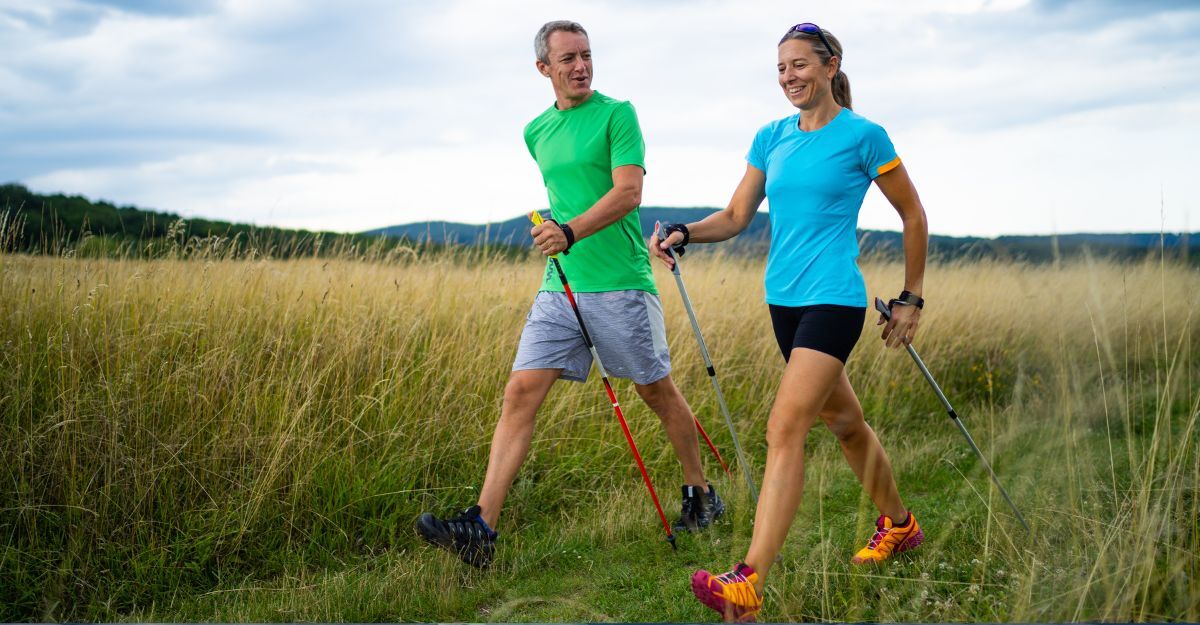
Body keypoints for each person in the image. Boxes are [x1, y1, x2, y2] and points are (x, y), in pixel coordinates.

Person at [415, 20, 725, 569]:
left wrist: (570, 231)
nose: (581, 66)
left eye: (586, 55)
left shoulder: (618, 114)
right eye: (568, 59)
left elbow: (628, 193)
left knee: (656, 393)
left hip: (621, 283)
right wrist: (557, 234)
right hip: (560, 285)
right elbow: (566, 196)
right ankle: (481, 528)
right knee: (520, 392)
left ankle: (701, 496)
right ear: (544, 68)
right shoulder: (535, 131)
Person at [651, 23, 929, 622]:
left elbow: (912, 214)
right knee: (846, 424)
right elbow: (735, 215)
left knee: (784, 427)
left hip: (833, 301)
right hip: (783, 303)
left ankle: (748, 582)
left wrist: (911, 298)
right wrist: (684, 231)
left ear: (831, 67)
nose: (788, 77)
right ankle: (901, 525)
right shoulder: (770, 137)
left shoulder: (864, 136)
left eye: (799, 65)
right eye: (781, 68)